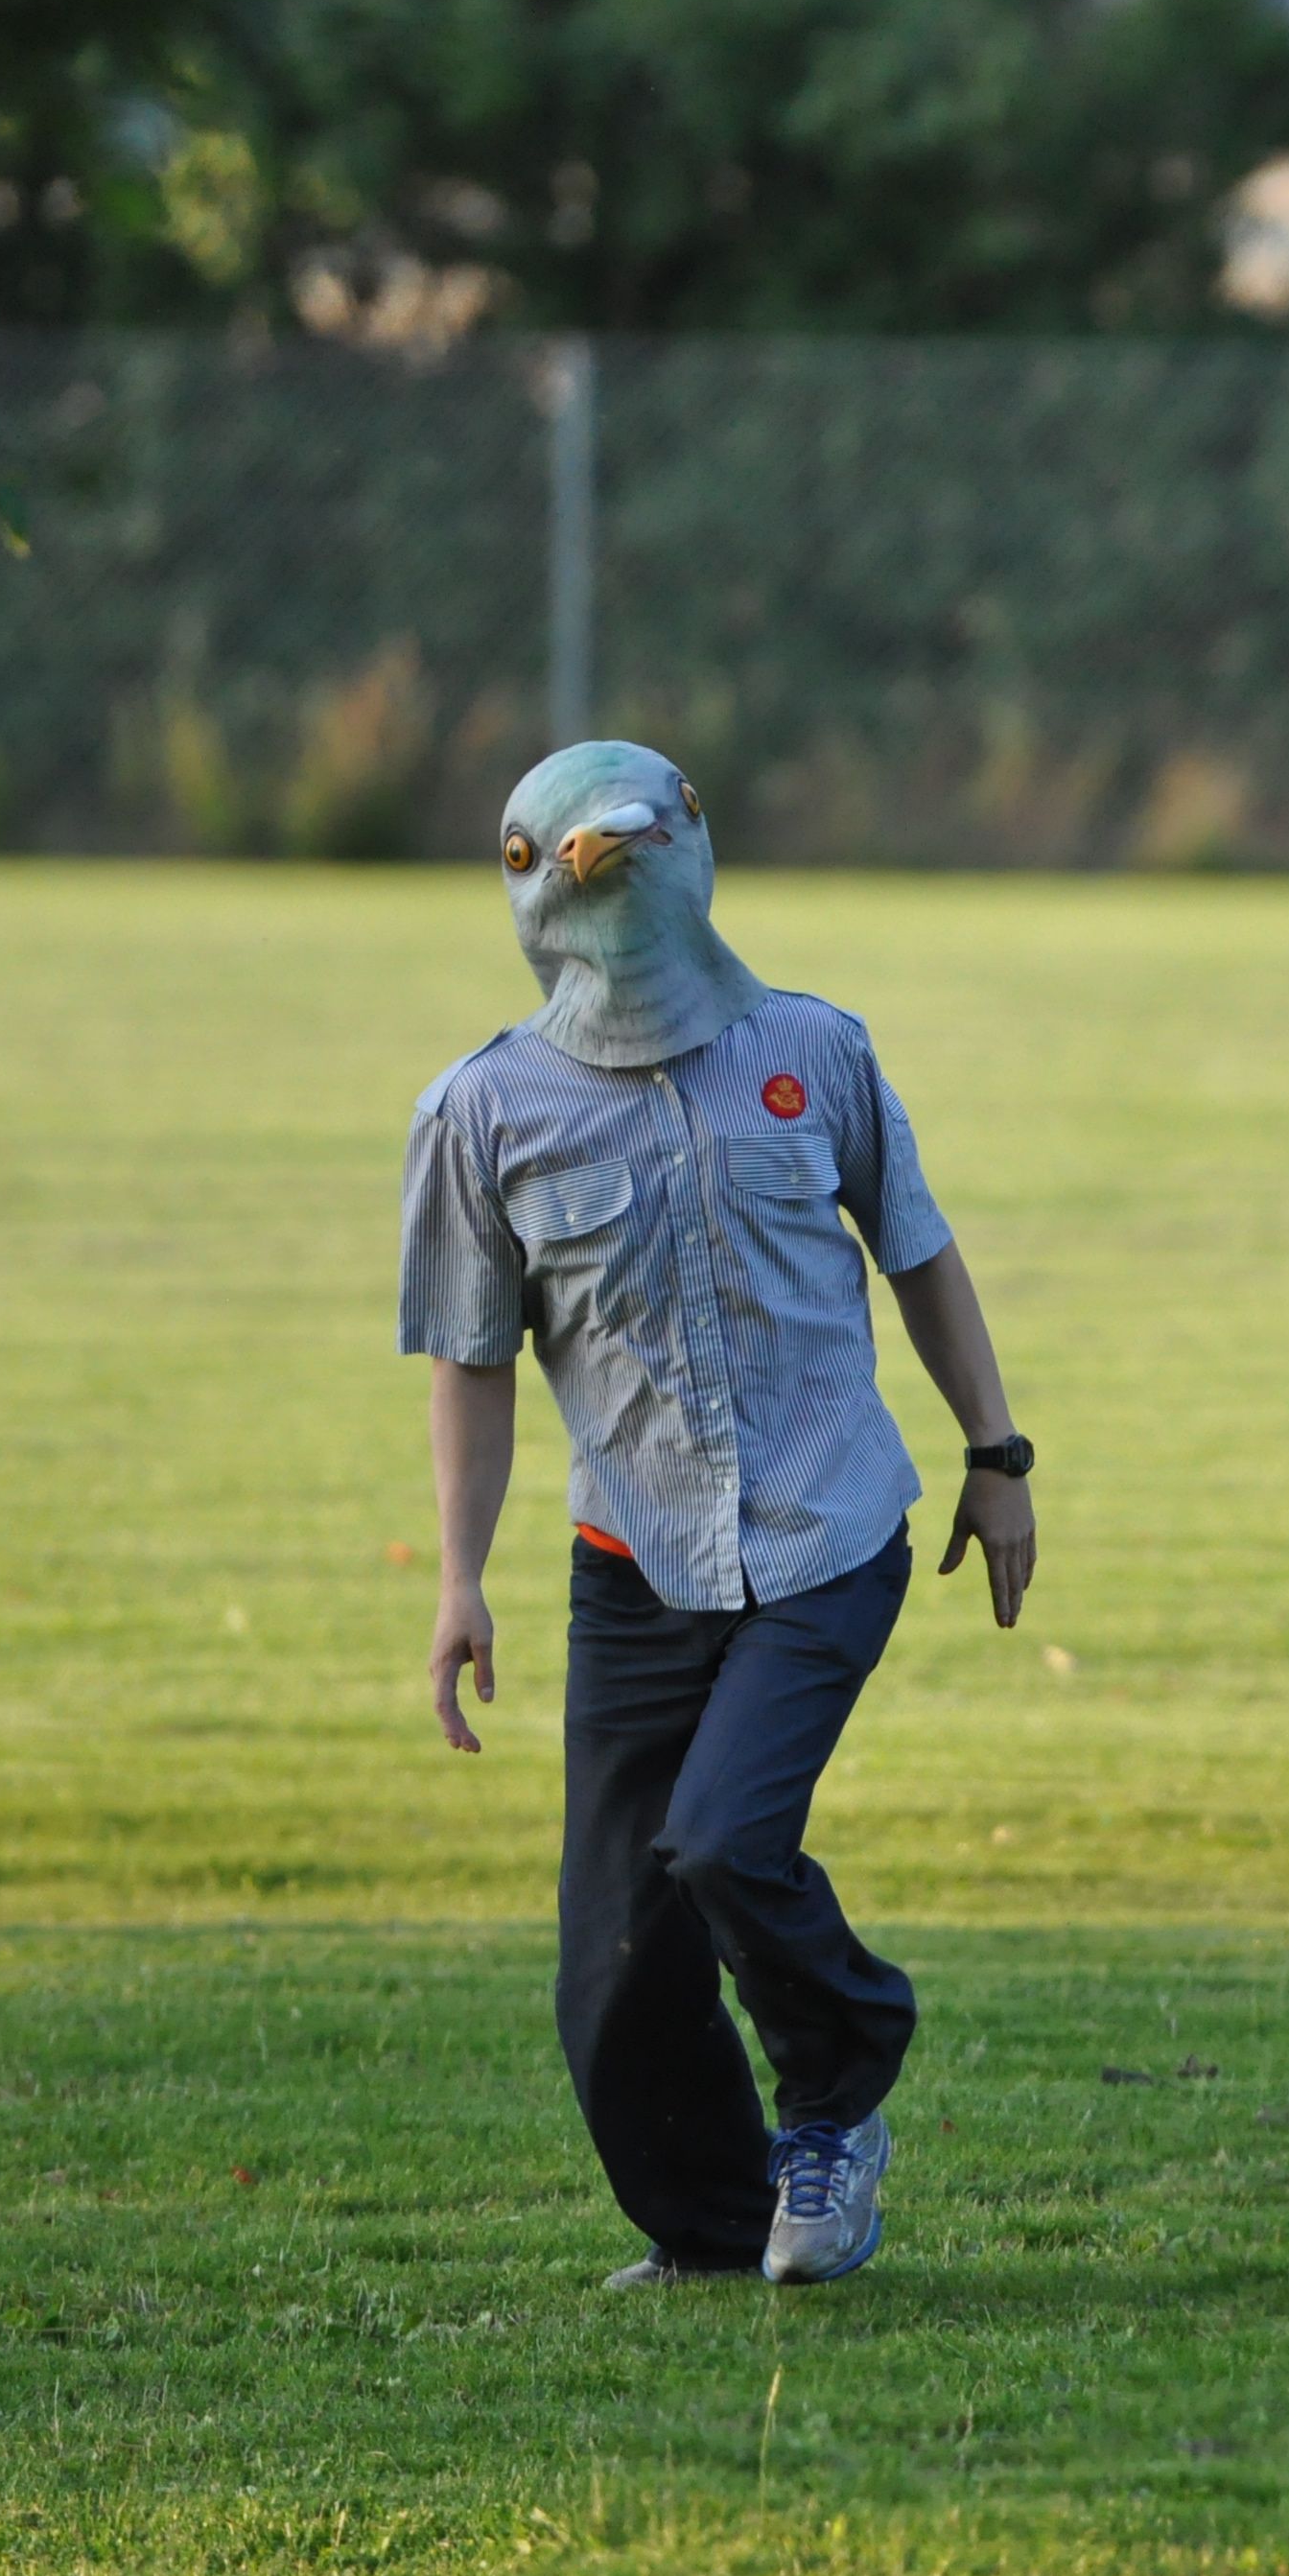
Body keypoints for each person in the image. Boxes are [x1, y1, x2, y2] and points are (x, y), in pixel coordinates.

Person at [398, 740, 1037, 2287]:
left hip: (825, 1537)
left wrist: (997, 1456)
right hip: (634, 1569)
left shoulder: (814, 1053)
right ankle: (709, 2230)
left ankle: (841, 2082)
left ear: (695, 843)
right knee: (614, 1971)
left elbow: (920, 1253)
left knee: (723, 1845)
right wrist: (460, 1580)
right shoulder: (484, 1113)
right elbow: (473, 1366)